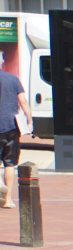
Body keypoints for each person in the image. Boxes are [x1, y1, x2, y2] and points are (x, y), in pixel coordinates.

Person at [0, 65, 32, 209]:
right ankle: (7, 200)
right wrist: (29, 120)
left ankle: (0, 185)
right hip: (11, 125)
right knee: (10, 163)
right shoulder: (13, 79)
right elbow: (23, 101)